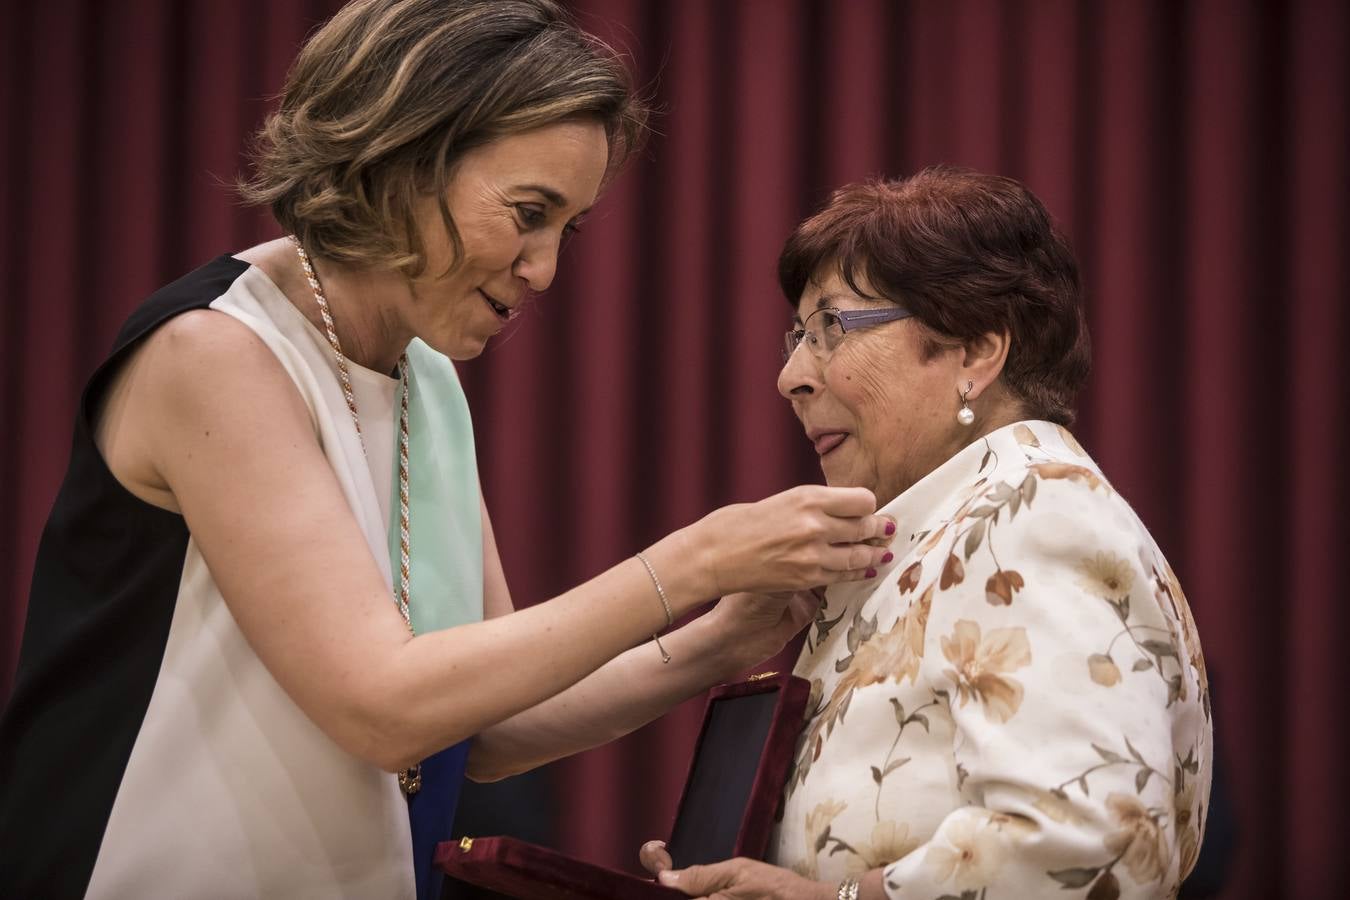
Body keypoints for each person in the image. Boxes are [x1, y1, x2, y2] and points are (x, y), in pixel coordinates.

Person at [0, 3, 897, 898]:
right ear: (401, 159)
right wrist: (698, 558)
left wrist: (718, 639)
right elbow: (384, 707)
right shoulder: (213, 353)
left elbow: (489, 731)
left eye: (567, 229)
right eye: (528, 212)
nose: (543, 268)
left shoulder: (424, 376)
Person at [641, 168, 1212, 900]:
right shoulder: (949, 528)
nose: (789, 376)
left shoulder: (1030, 518)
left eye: (831, 330)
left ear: (974, 352)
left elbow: (1092, 844)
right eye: (798, 335)